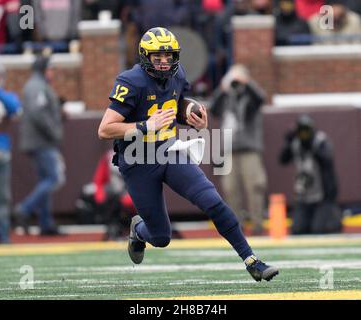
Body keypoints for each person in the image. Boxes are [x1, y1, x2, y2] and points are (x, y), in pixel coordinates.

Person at [98, 27, 279, 282]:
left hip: (169, 150)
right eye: (157, 57)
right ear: (144, 56)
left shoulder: (178, 74)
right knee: (161, 237)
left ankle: (252, 260)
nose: (163, 62)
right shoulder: (131, 81)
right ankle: (139, 230)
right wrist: (145, 126)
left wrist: (190, 113)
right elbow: (105, 129)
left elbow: (176, 102)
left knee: (212, 201)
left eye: (168, 56)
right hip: (138, 160)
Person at [210, 64, 268, 235]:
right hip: (229, 150)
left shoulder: (250, 97)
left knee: (255, 187)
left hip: (249, 150)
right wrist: (222, 88)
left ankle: (258, 225)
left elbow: (260, 98)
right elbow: (213, 108)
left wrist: (246, 83)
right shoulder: (226, 97)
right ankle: (235, 228)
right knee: (230, 190)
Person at [15, 55, 66, 236]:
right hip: (41, 141)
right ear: (43, 69)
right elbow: (38, 113)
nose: (52, 72)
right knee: (54, 178)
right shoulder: (37, 86)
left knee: (46, 179)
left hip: (37, 140)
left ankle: (45, 223)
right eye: (50, 69)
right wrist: (54, 131)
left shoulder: (36, 86)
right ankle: (24, 208)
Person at [279, 115, 342, 234]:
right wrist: (287, 143)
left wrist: (313, 148)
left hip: (322, 197)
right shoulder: (295, 144)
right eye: (301, 131)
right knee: (298, 229)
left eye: (306, 131)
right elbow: (282, 160)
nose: (304, 135)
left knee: (319, 229)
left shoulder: (320, 141)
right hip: (304, 196)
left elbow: (327, 160)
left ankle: (334, 218)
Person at [0, 64, 21, 243]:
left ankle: (3, 235)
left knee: (3, 197)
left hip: (2, 151)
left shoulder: (6, 96)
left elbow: (15, 108)